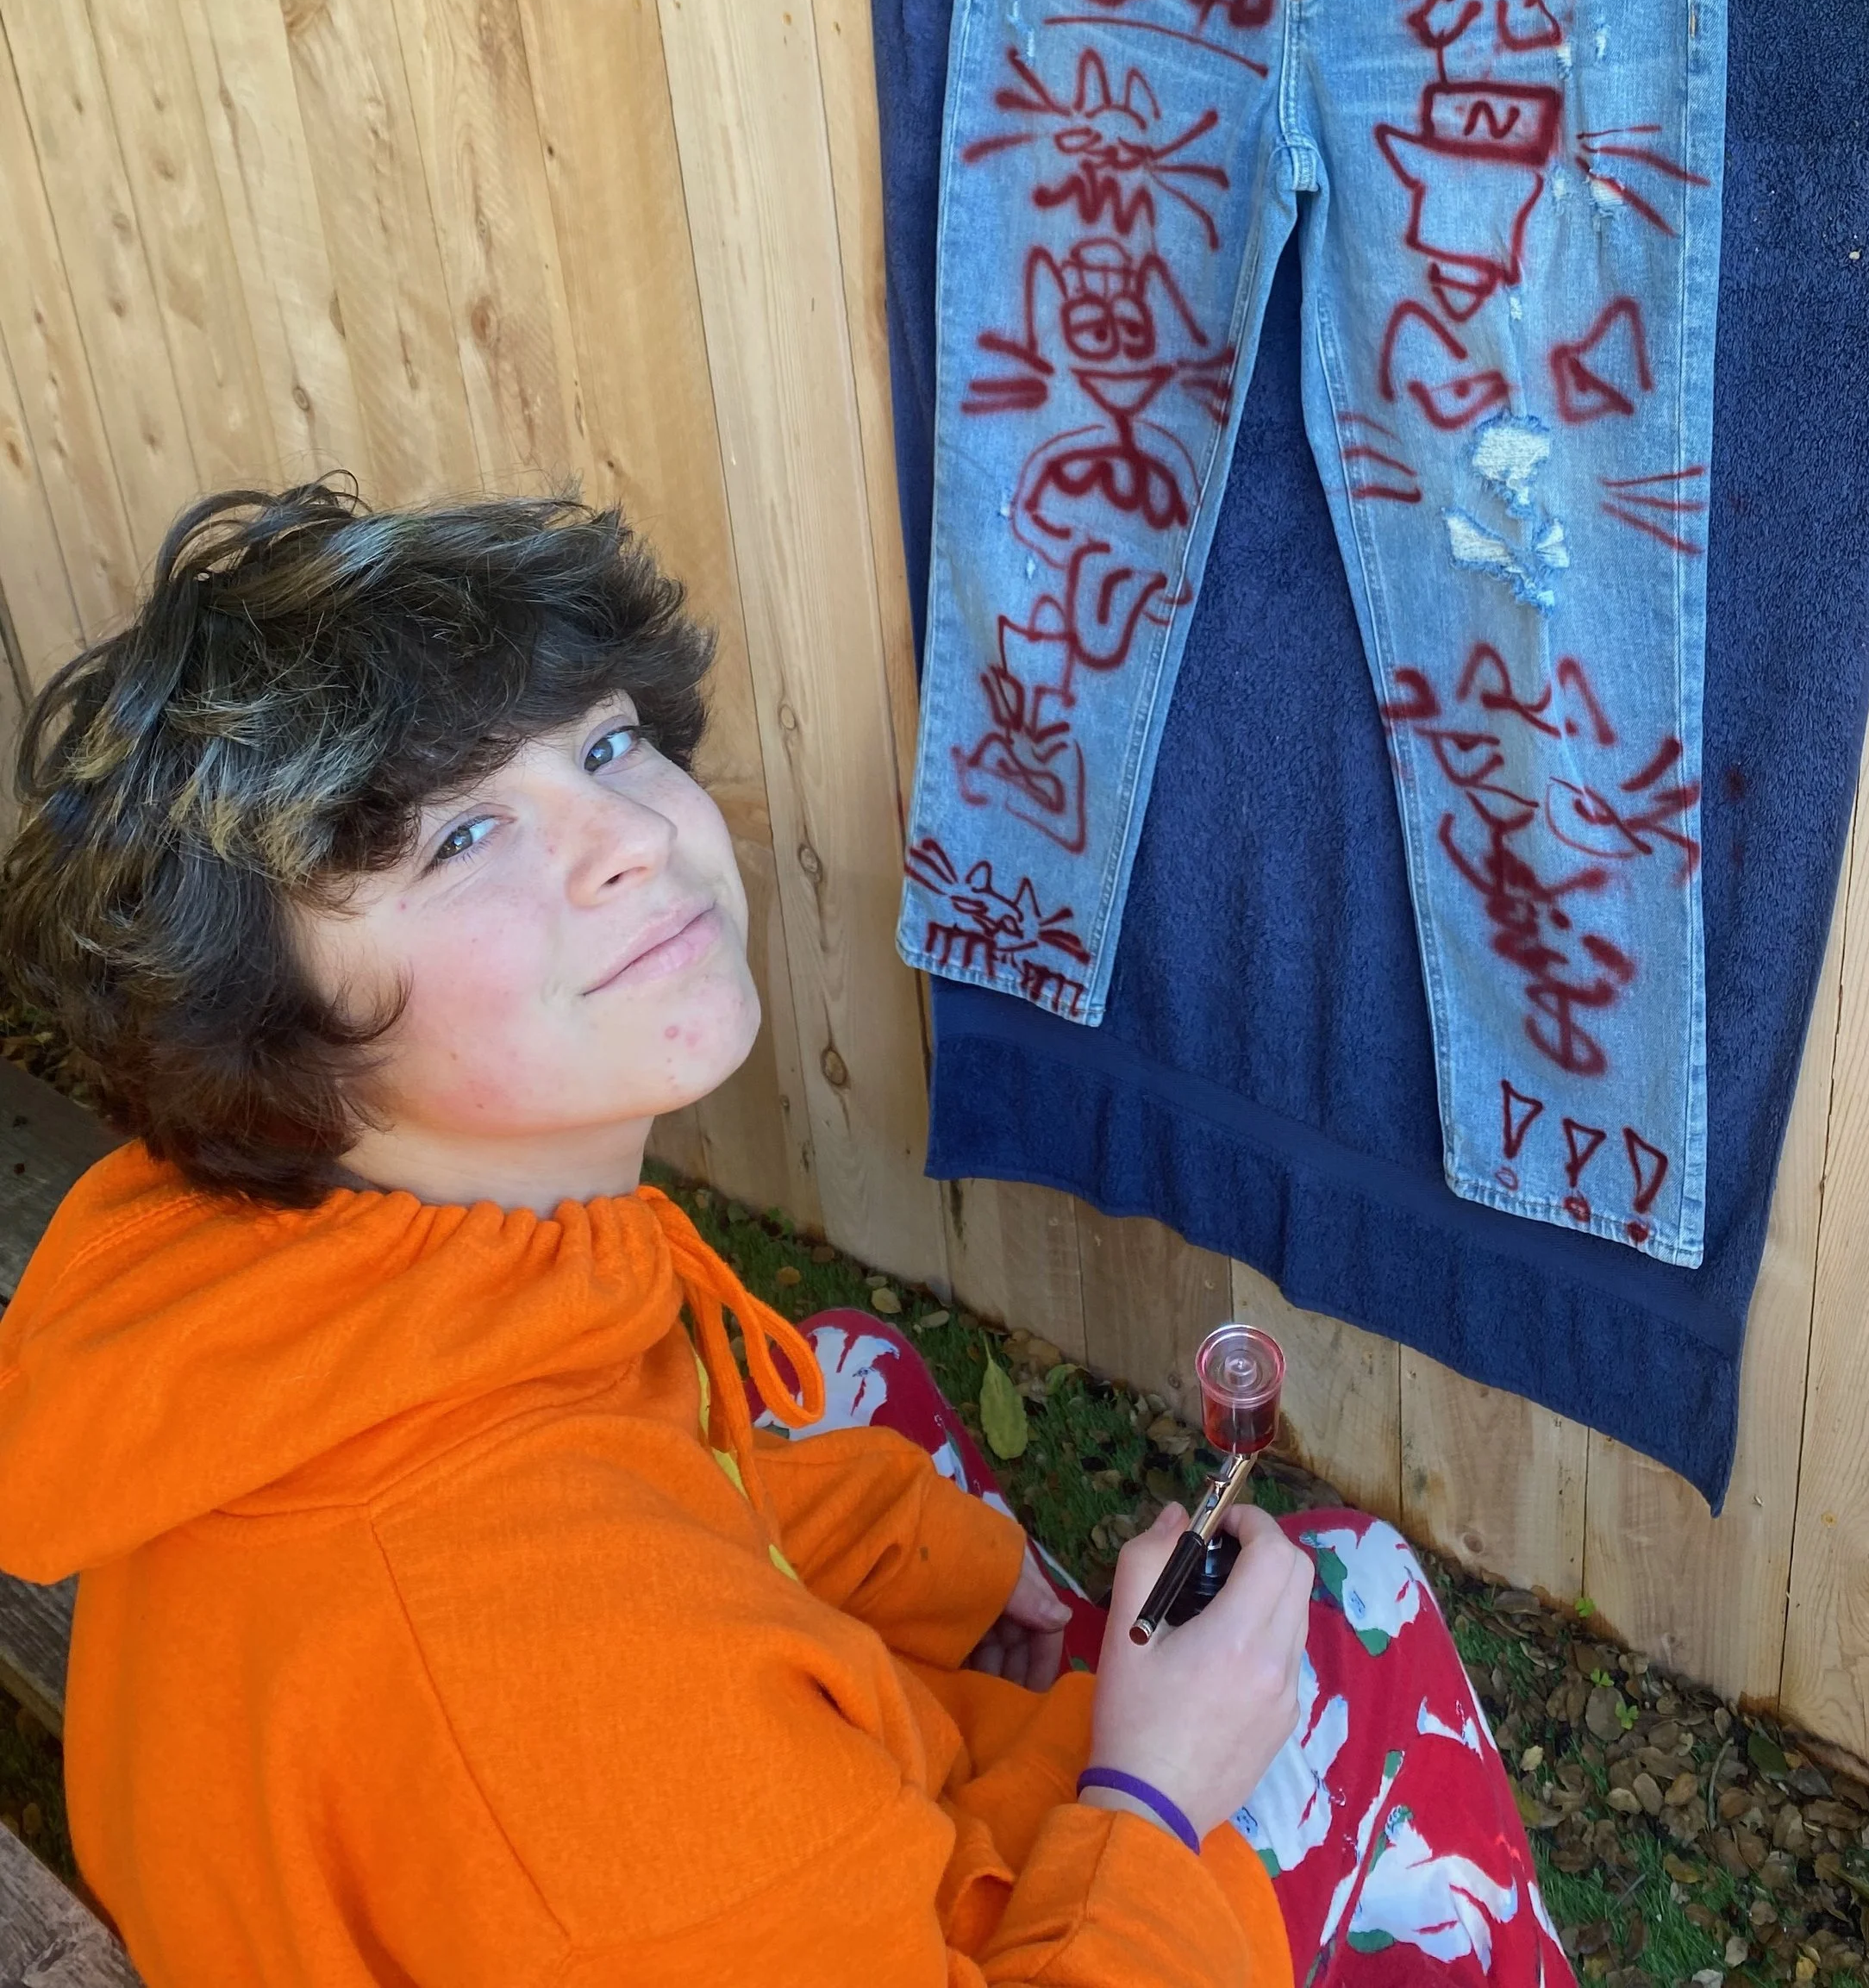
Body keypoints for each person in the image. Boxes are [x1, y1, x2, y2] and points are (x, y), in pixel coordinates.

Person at [0, 483, 1575, 1988]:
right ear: (277, 1021)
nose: (628, 834)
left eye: (606, 743)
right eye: (457, 838)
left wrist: (957, 1575)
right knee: (1352, 1608)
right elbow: (600, 1710)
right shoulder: (563, 1699)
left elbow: (672, 1453)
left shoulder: (318, 1250)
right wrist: (1160, 1791)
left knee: (848, 1372)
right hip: (705, 1842)